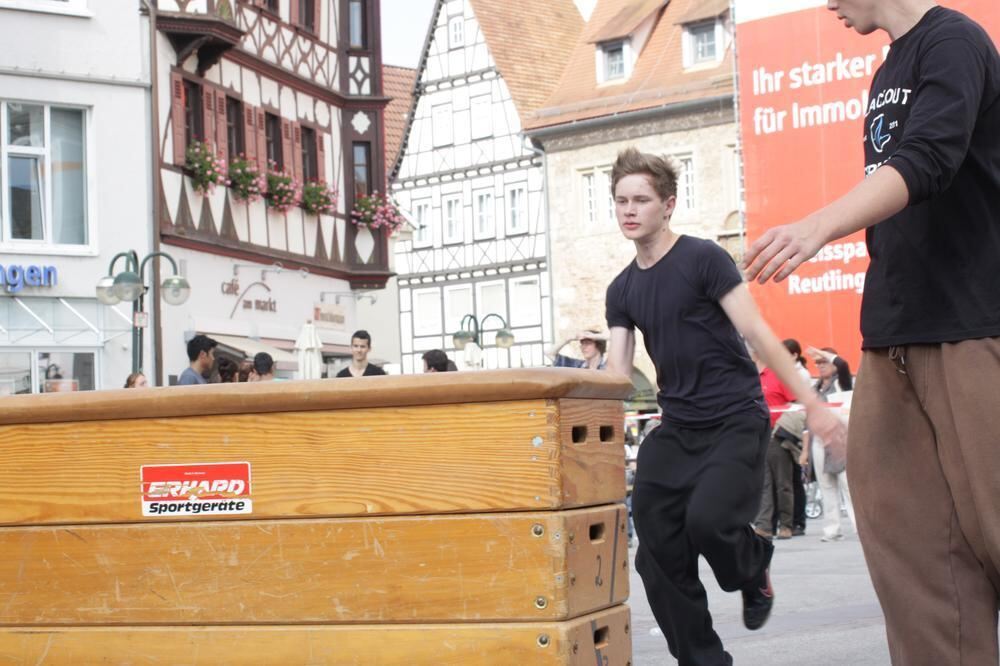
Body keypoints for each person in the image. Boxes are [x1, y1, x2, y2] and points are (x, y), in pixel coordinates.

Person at [742, 2, 1000, 662]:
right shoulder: (889, 67)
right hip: (893, 333)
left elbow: (929, 160)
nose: (827, 3)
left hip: (971, 326)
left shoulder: (955, 42)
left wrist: (815, 227)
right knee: (911, 555)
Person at [604, 147, 845, 665]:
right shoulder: (621, 289)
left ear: (667, 205)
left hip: (735, 416)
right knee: (655, 556)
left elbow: (756, 330)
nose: (629, 209)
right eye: (621, 200)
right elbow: (617, 376)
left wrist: (815, 407)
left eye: (641, 199)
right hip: (677, 427)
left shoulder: (702, 259)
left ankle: (752, 568)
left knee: (710, 520)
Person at [750, 348, 799, 541]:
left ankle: (786, 524)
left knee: (783, 483)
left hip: (777, 434)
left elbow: (795, 404)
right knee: (763, 483)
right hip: (757, 435)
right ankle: (764, 525)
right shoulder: (749, 375)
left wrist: (783, 428)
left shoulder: (777, 375)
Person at [782, 338, 811, 535]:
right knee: (787, 477)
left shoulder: (802, 375)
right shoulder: (785, 372)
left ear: (794, 354)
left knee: (794, 478)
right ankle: (792, 519)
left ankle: (799, 520)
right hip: (785, 426)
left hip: (796, 427)